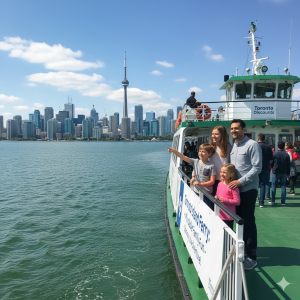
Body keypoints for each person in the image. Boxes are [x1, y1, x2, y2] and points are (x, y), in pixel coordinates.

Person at [229, 119, 262, 271]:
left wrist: (240, 182)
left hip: (247, 189)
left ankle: (252, 256)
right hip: (236, 191)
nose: (233, 131)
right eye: (232, 129)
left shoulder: (252, 145)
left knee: (248, 222)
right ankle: (242, 250)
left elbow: (257, 168)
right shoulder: (234, 145)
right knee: (239, 221)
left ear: (244, 129)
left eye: (236, 128)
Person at [166, 143, 216, 210]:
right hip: (196, 191)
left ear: (209, 154)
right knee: (197, 209)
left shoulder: (211, 166)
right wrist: (175, 151)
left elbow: (212, 181)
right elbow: (183, 157)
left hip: (207, 193)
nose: (200, 153)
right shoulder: (195, 162)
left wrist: (200, 184)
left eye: (203, 152)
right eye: (200, 151)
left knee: (208, 210)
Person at [215, 164, 240, 230]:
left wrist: (224, 200)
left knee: (228, 234)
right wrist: (216, 197)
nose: (222, 174)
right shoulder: (220, 184)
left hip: (228, 216)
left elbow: (237, 202)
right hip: (219, 213)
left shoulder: (233, 187)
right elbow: (217, 194)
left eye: (224, 172)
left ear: (232, 174)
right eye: (221, 172)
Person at [209, 125, 231, 196]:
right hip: (210, 180)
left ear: (223, 135)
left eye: (216, 134)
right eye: (212, 134)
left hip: (223, 181)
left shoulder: (229, 148)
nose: (214, 136)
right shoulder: (210, 148)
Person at [257, 134, 273, 208]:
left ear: (258, 139)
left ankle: (256, 197)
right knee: (263, 184)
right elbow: (271, 158)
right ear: (264, 139)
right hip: (266, 167)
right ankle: (261, 203)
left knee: (255, 184)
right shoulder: (268, 147)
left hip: (256, 168)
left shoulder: (256, 145)